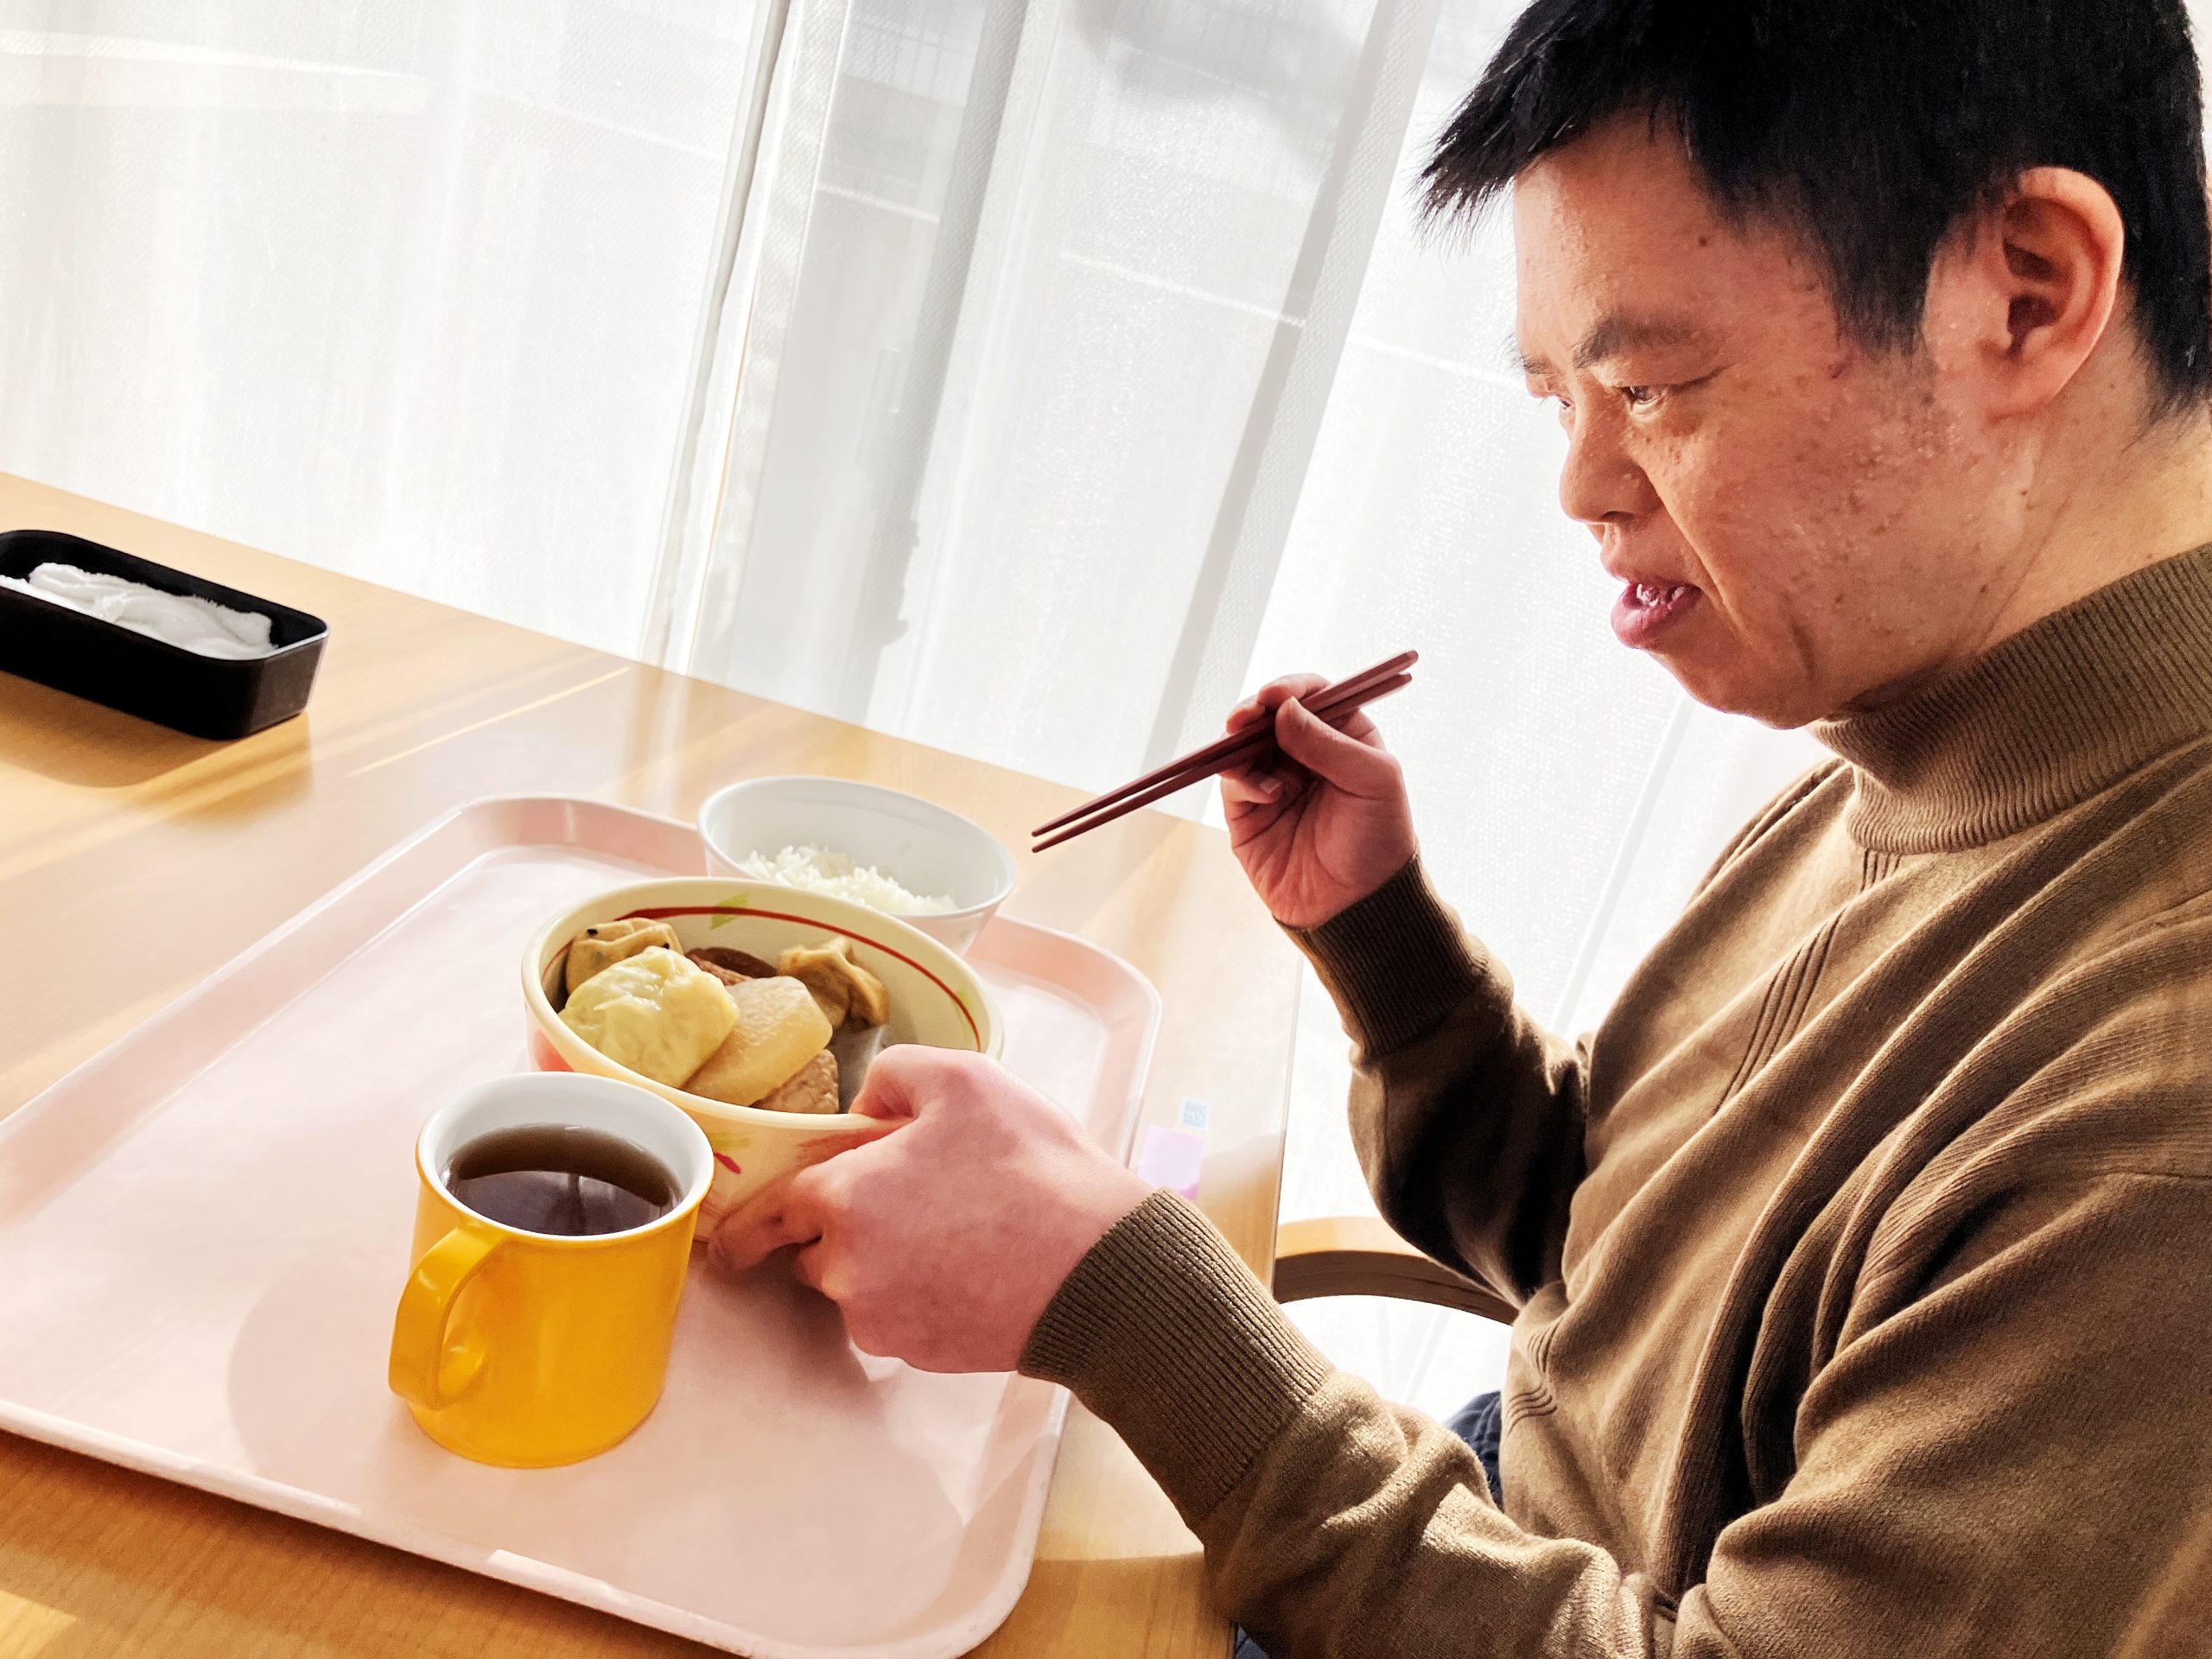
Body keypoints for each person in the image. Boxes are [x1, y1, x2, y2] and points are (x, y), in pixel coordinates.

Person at [712, 0, 2212, 1650]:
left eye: (1650, 385)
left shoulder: (2163, 1110)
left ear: (2027, 291)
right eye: (1558, 394)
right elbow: (1610, 1270)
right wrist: (1390, 951)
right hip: (1471, 1530)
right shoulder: (1930, 729)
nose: (1583, 484)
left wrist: (1130, 1302)